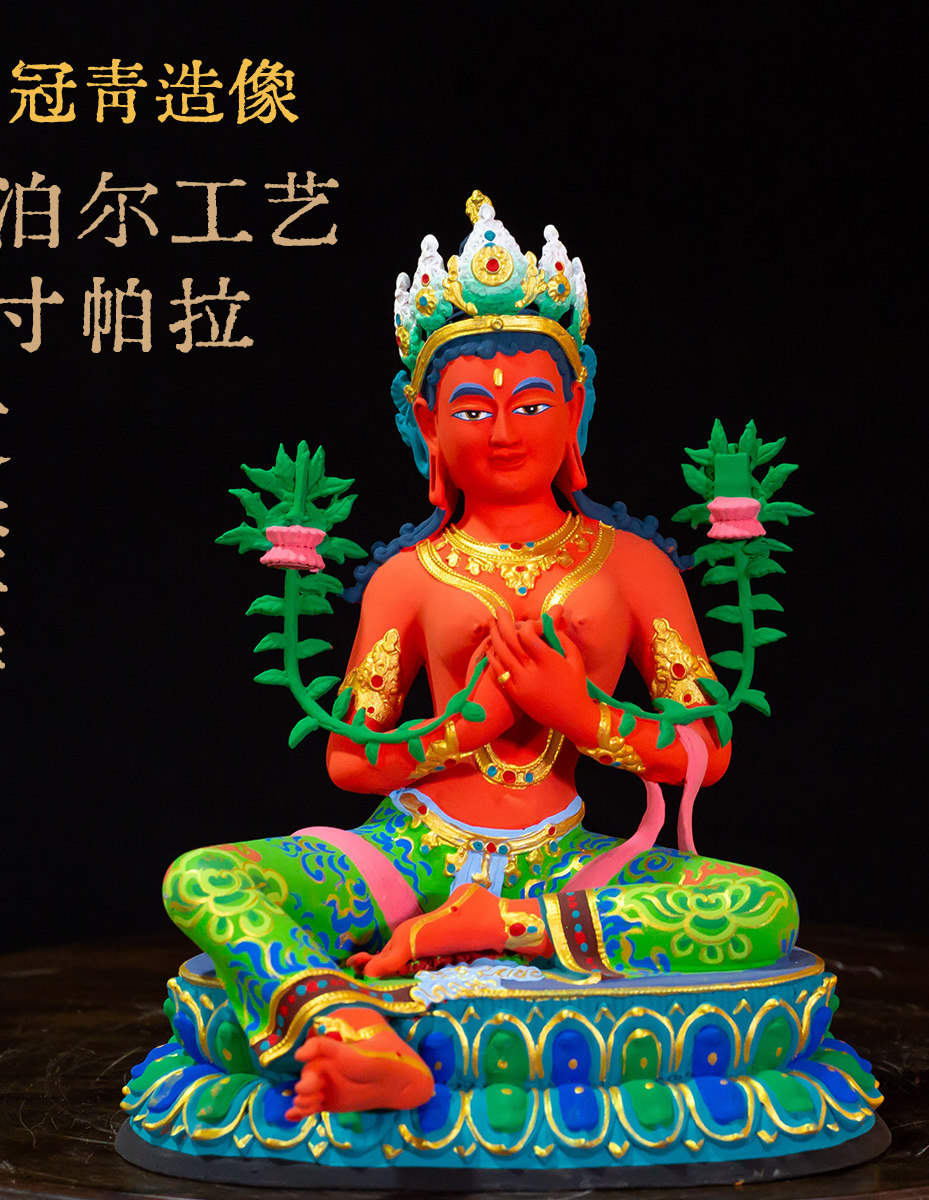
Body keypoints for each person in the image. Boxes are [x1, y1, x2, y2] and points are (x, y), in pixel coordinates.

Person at [163, 195, 797, 1123]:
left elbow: (707, 748)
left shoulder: (633, 568)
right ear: (426, 423)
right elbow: (350, 758)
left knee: (763, 907)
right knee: (204, 877)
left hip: (565, 870)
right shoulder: (409, 578)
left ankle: (493, 932)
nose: (503, 432)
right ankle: (351, 1032)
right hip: (406, 854)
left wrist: (578, 712)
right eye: (473, 407)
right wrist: (462, 728)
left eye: (532, 403)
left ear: (576, 407)